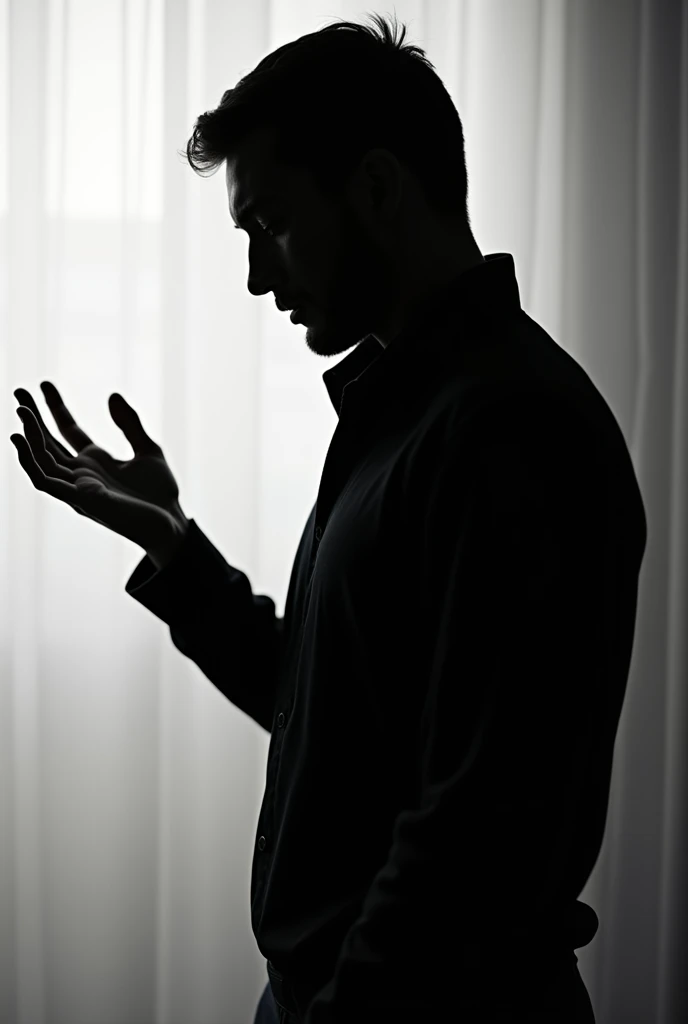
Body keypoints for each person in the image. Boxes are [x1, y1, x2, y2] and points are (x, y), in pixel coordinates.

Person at [10, 13, 647, 1023]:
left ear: (379, 187)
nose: (260, 277)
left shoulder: (511, 428)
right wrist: (172, 543)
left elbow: (476, 833)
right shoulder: (413, 412)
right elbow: (335, 713)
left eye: (269, 224)